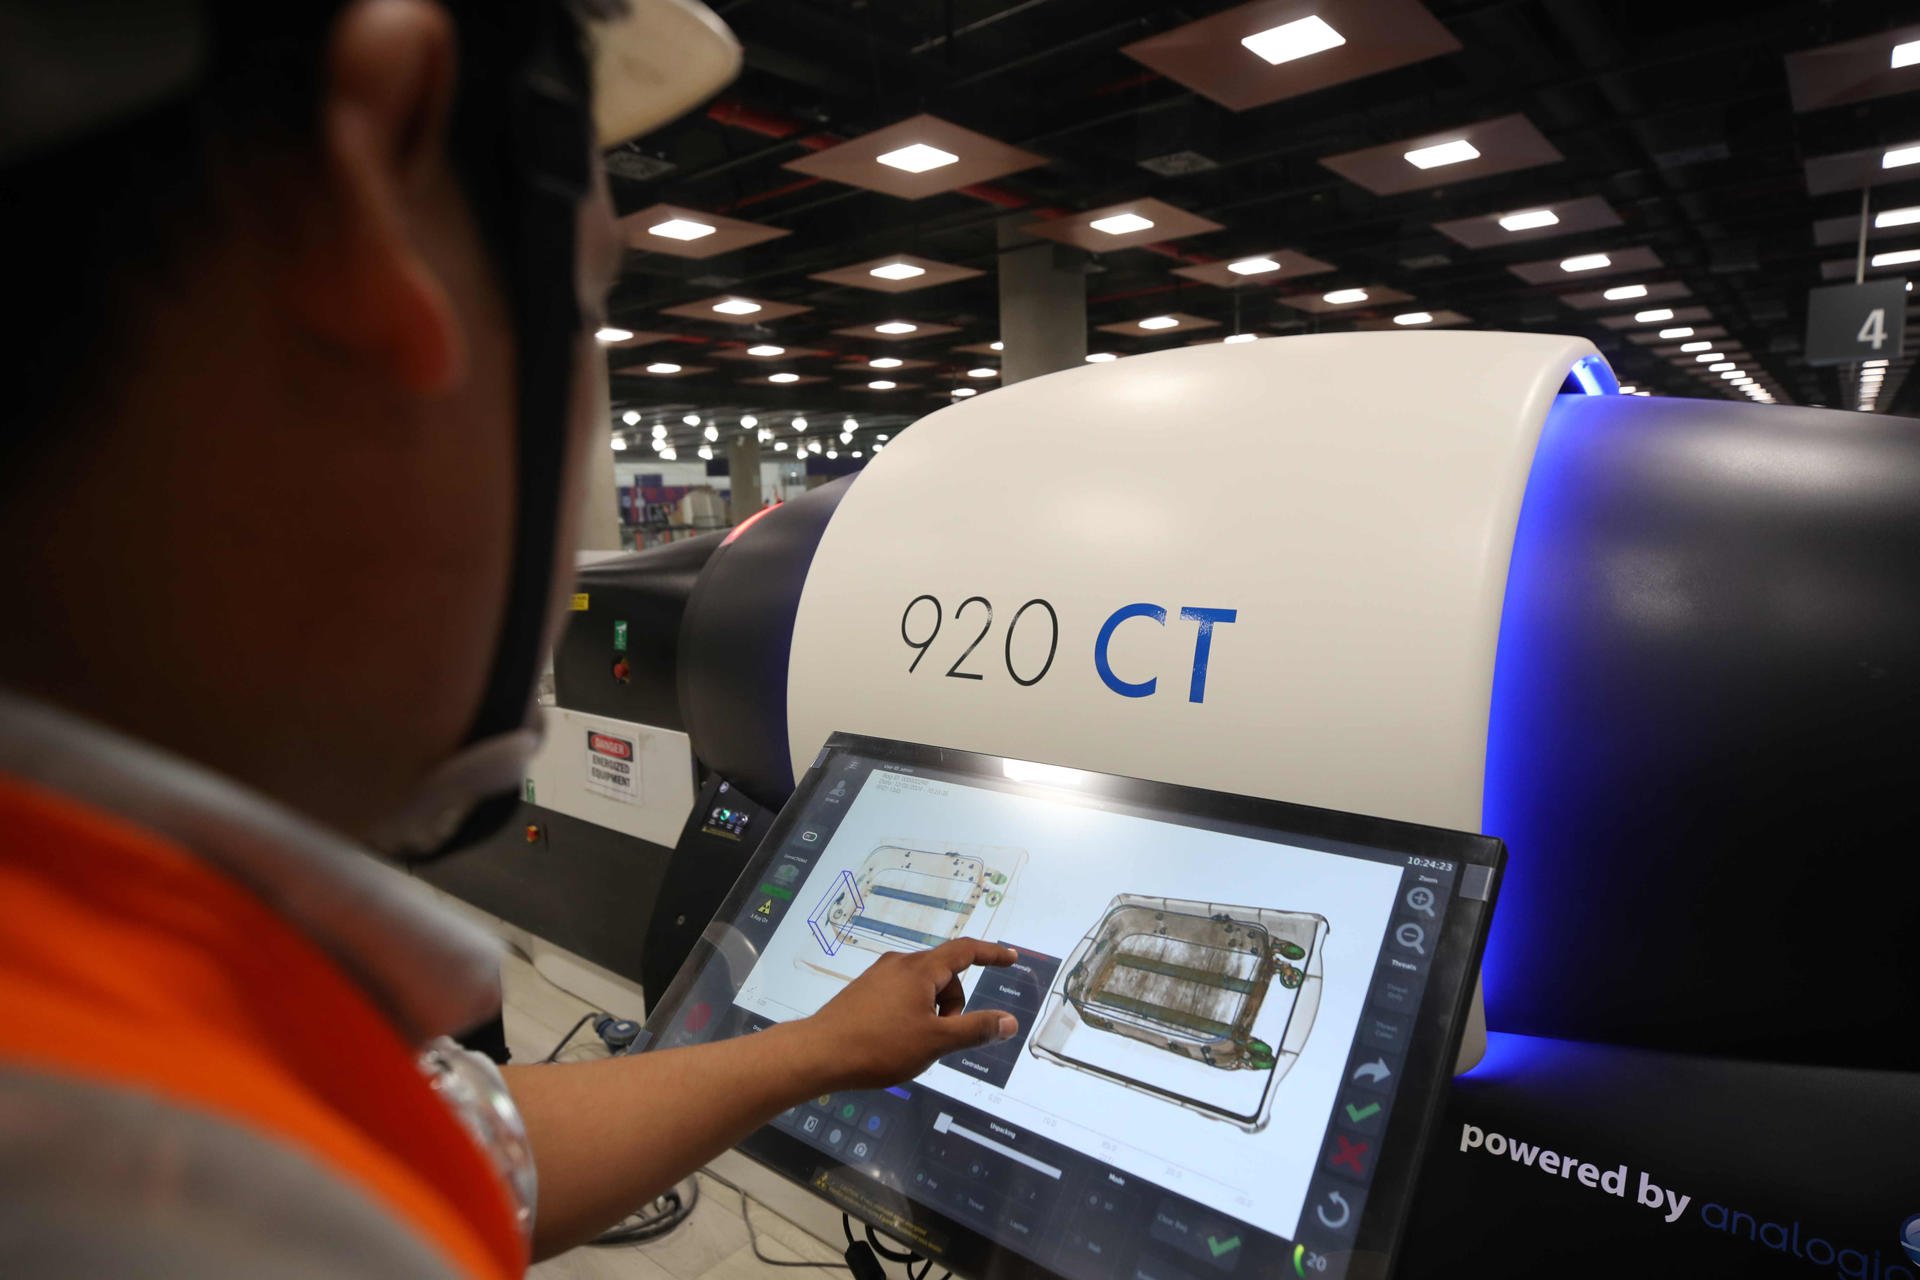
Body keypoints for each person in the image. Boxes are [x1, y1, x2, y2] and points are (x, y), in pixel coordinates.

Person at [0, 1, 1018, 1275]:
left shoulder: (114, 1009)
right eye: (588, 303)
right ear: (374, 174)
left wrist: (813, 1046)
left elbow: (447, 1139)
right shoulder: (177, 1196)